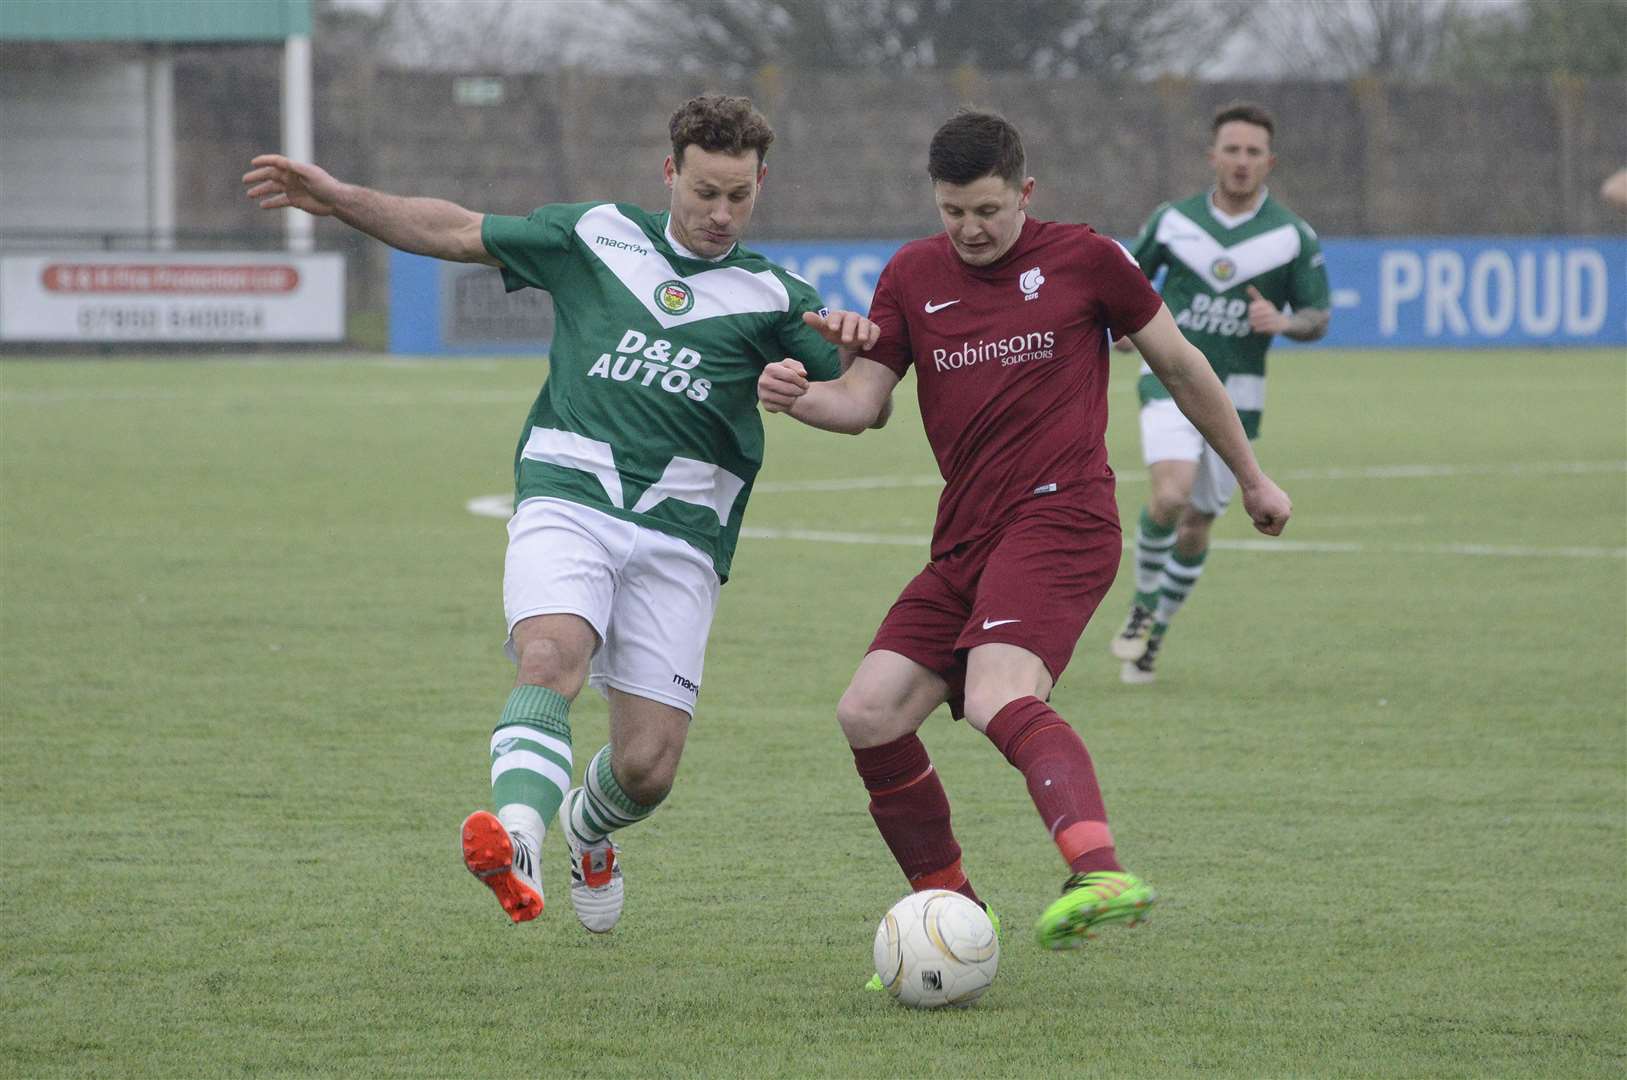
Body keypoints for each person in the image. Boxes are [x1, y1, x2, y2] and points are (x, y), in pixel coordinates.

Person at [244, 94, 881, 932]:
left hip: (683, 531)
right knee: (549, 657)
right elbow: (454, 229)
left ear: (760, 183)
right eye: (703, 192)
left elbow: (861, 402)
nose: (720, 212)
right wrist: (343, 198)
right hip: (567, 491)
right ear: (669, 172)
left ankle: (587, 830)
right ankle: (516, 840)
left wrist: (837, 357)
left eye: (738, 195)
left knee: (647, 768)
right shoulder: (597, 235)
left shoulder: (775, 295)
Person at [757, 111, 1292, 954]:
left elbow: (1183, 366)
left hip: (1063, 517)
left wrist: (1252, 477)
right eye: (951, 211)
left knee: (998, 691)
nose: (969, 229)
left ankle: (1099, 870)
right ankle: (958, 917)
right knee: (867, 712)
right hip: (966, 539)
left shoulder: (1087, 260)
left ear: (1025, 193)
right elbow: (861, 404)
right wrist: (795, 395)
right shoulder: (909, 273)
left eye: (987, 211)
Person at [1109, 102, 1330, 684]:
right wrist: (1128, 329)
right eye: (1231, 149)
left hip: (1241, 396)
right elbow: (1127, 282)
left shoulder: (1290, 236)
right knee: (1171, 493)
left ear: (1269, 162)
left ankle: (1156, 632)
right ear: (1213, 156)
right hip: (1169, 379)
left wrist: (1284, 324)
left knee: (1198, 523)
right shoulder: (1174, 221)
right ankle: (1141, 604)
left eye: (1253, 151)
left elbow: (1317, 315)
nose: (1241, 161)